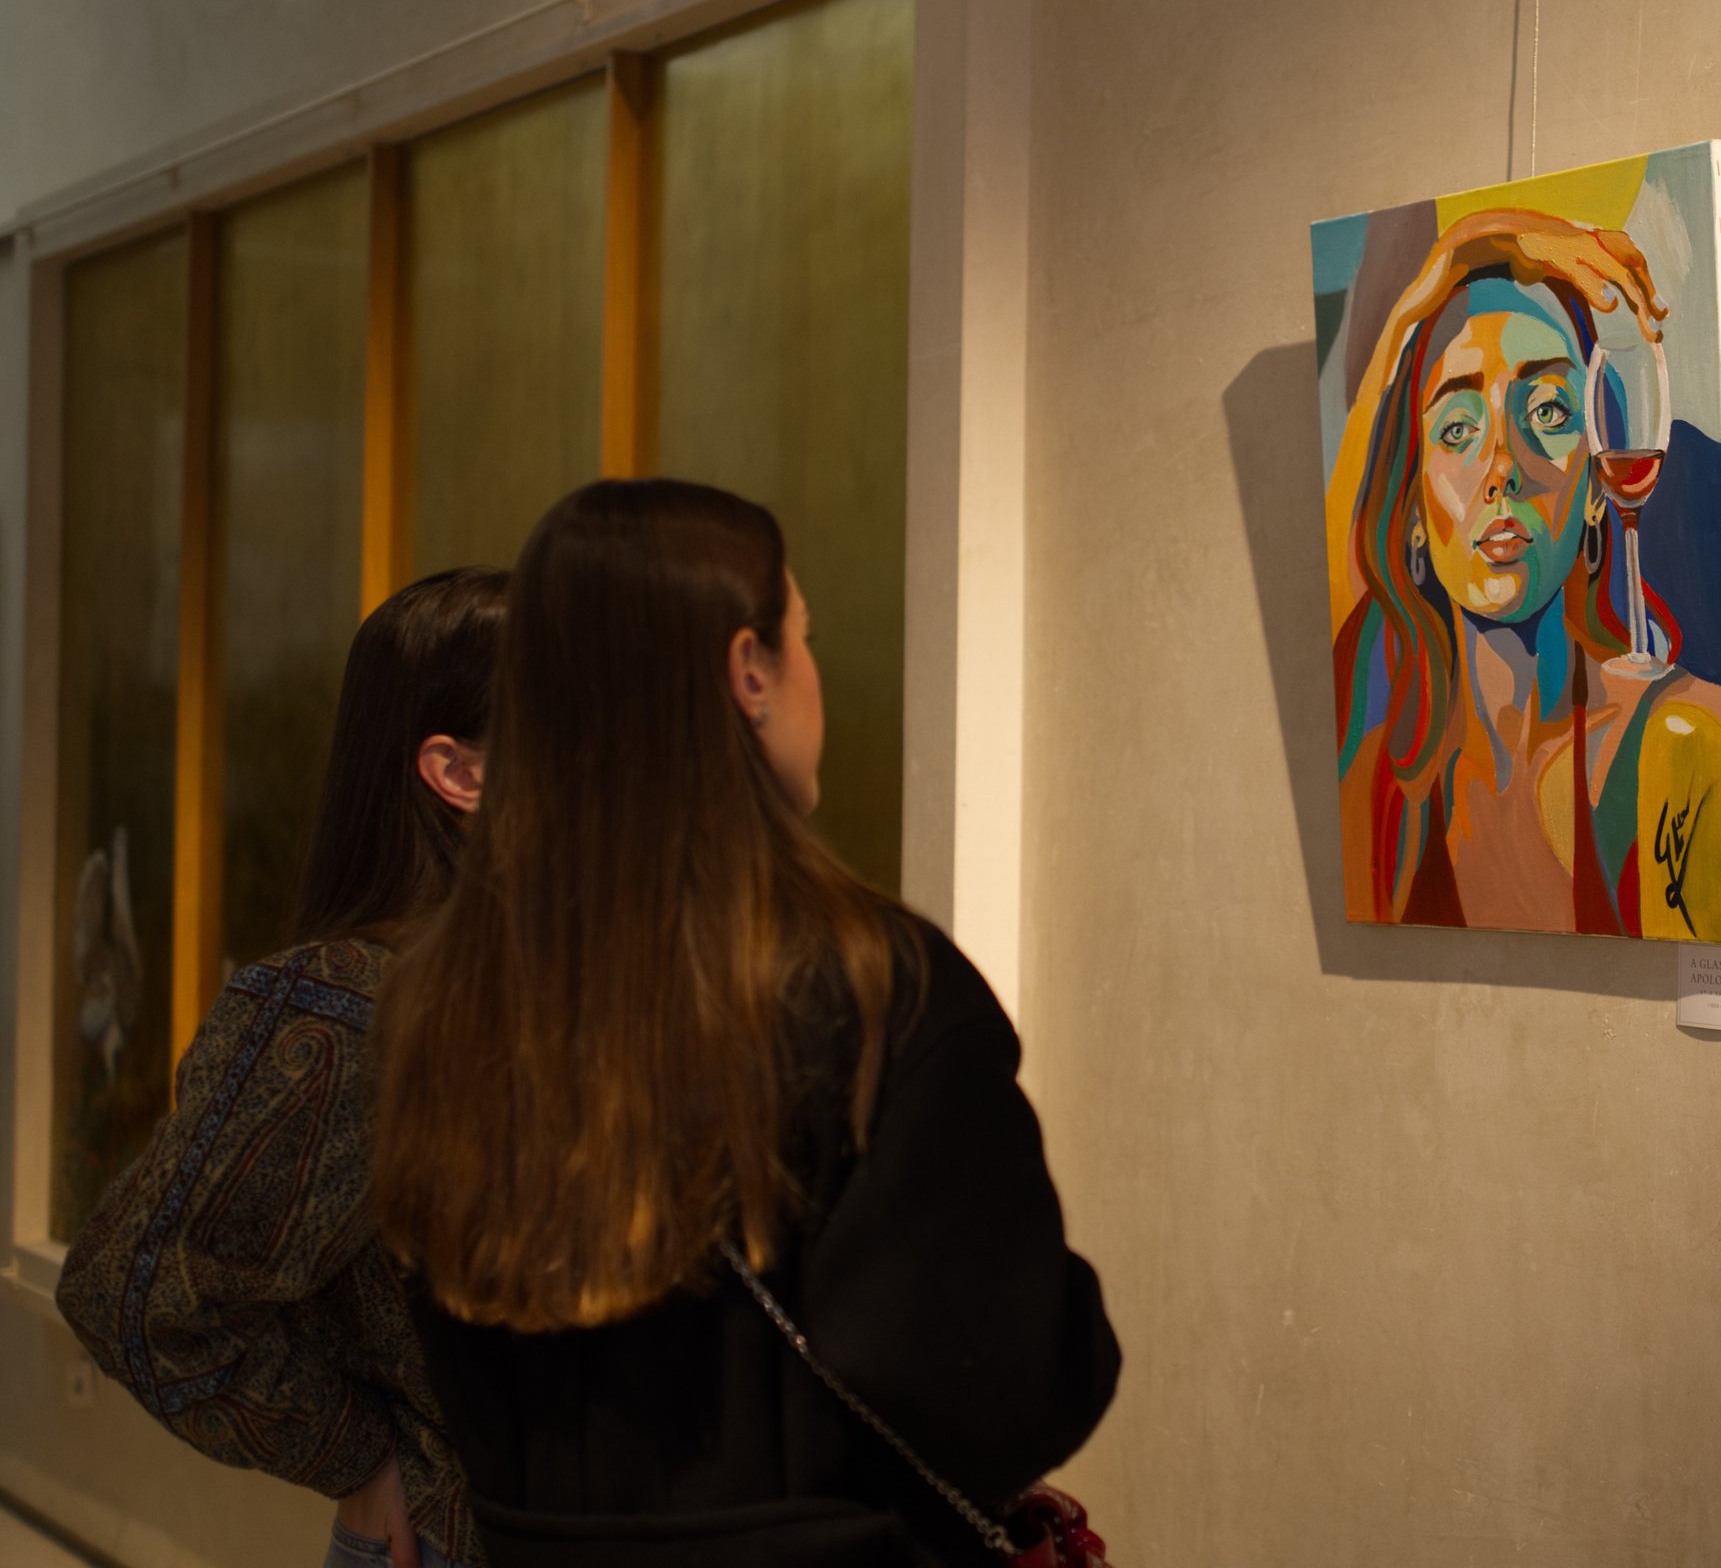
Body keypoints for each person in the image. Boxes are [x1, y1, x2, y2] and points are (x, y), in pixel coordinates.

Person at [371, 479, 1119, 1568]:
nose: (817, 673)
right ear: (749, 672)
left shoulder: (440, 999)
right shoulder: (871, 986)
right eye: (804, 637)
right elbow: (1015, 1392)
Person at [58, 567, 508, 1568]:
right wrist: (356, 1451)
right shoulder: (347, 1004)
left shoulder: (563, 976)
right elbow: (136, 1291)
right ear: (458, 772)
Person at [1331, 208, 1721, 937]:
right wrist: (1463, 249)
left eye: (1549, 411)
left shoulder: (1677, 743)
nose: (1501, 468)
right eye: (1458, 428)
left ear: (1596, 487)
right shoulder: (1388, 771)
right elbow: (1334, 558)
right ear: (1413, 509)